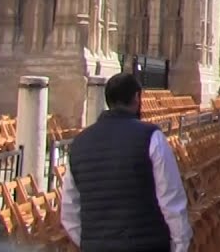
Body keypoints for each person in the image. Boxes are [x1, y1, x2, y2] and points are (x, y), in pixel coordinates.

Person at [60, 73, 192, 252]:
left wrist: (92, 243)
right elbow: (170, 198)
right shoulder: (151, 137)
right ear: (137, 97)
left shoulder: (79, 143)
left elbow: (69, 211)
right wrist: (180, 244)